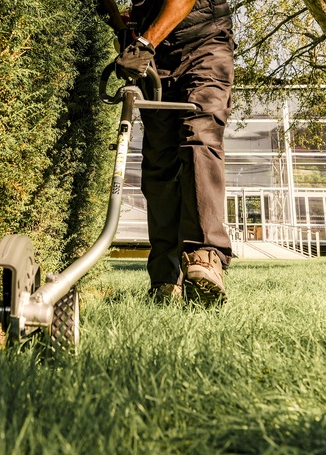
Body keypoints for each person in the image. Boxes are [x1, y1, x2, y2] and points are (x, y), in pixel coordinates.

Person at [100, 0, 235, 305]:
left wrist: (145, 43)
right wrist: (128, 28)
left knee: (199, 139)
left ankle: (205, 257)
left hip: (204, 45)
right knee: (159, 162)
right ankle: (165, 277)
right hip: (158, 59)